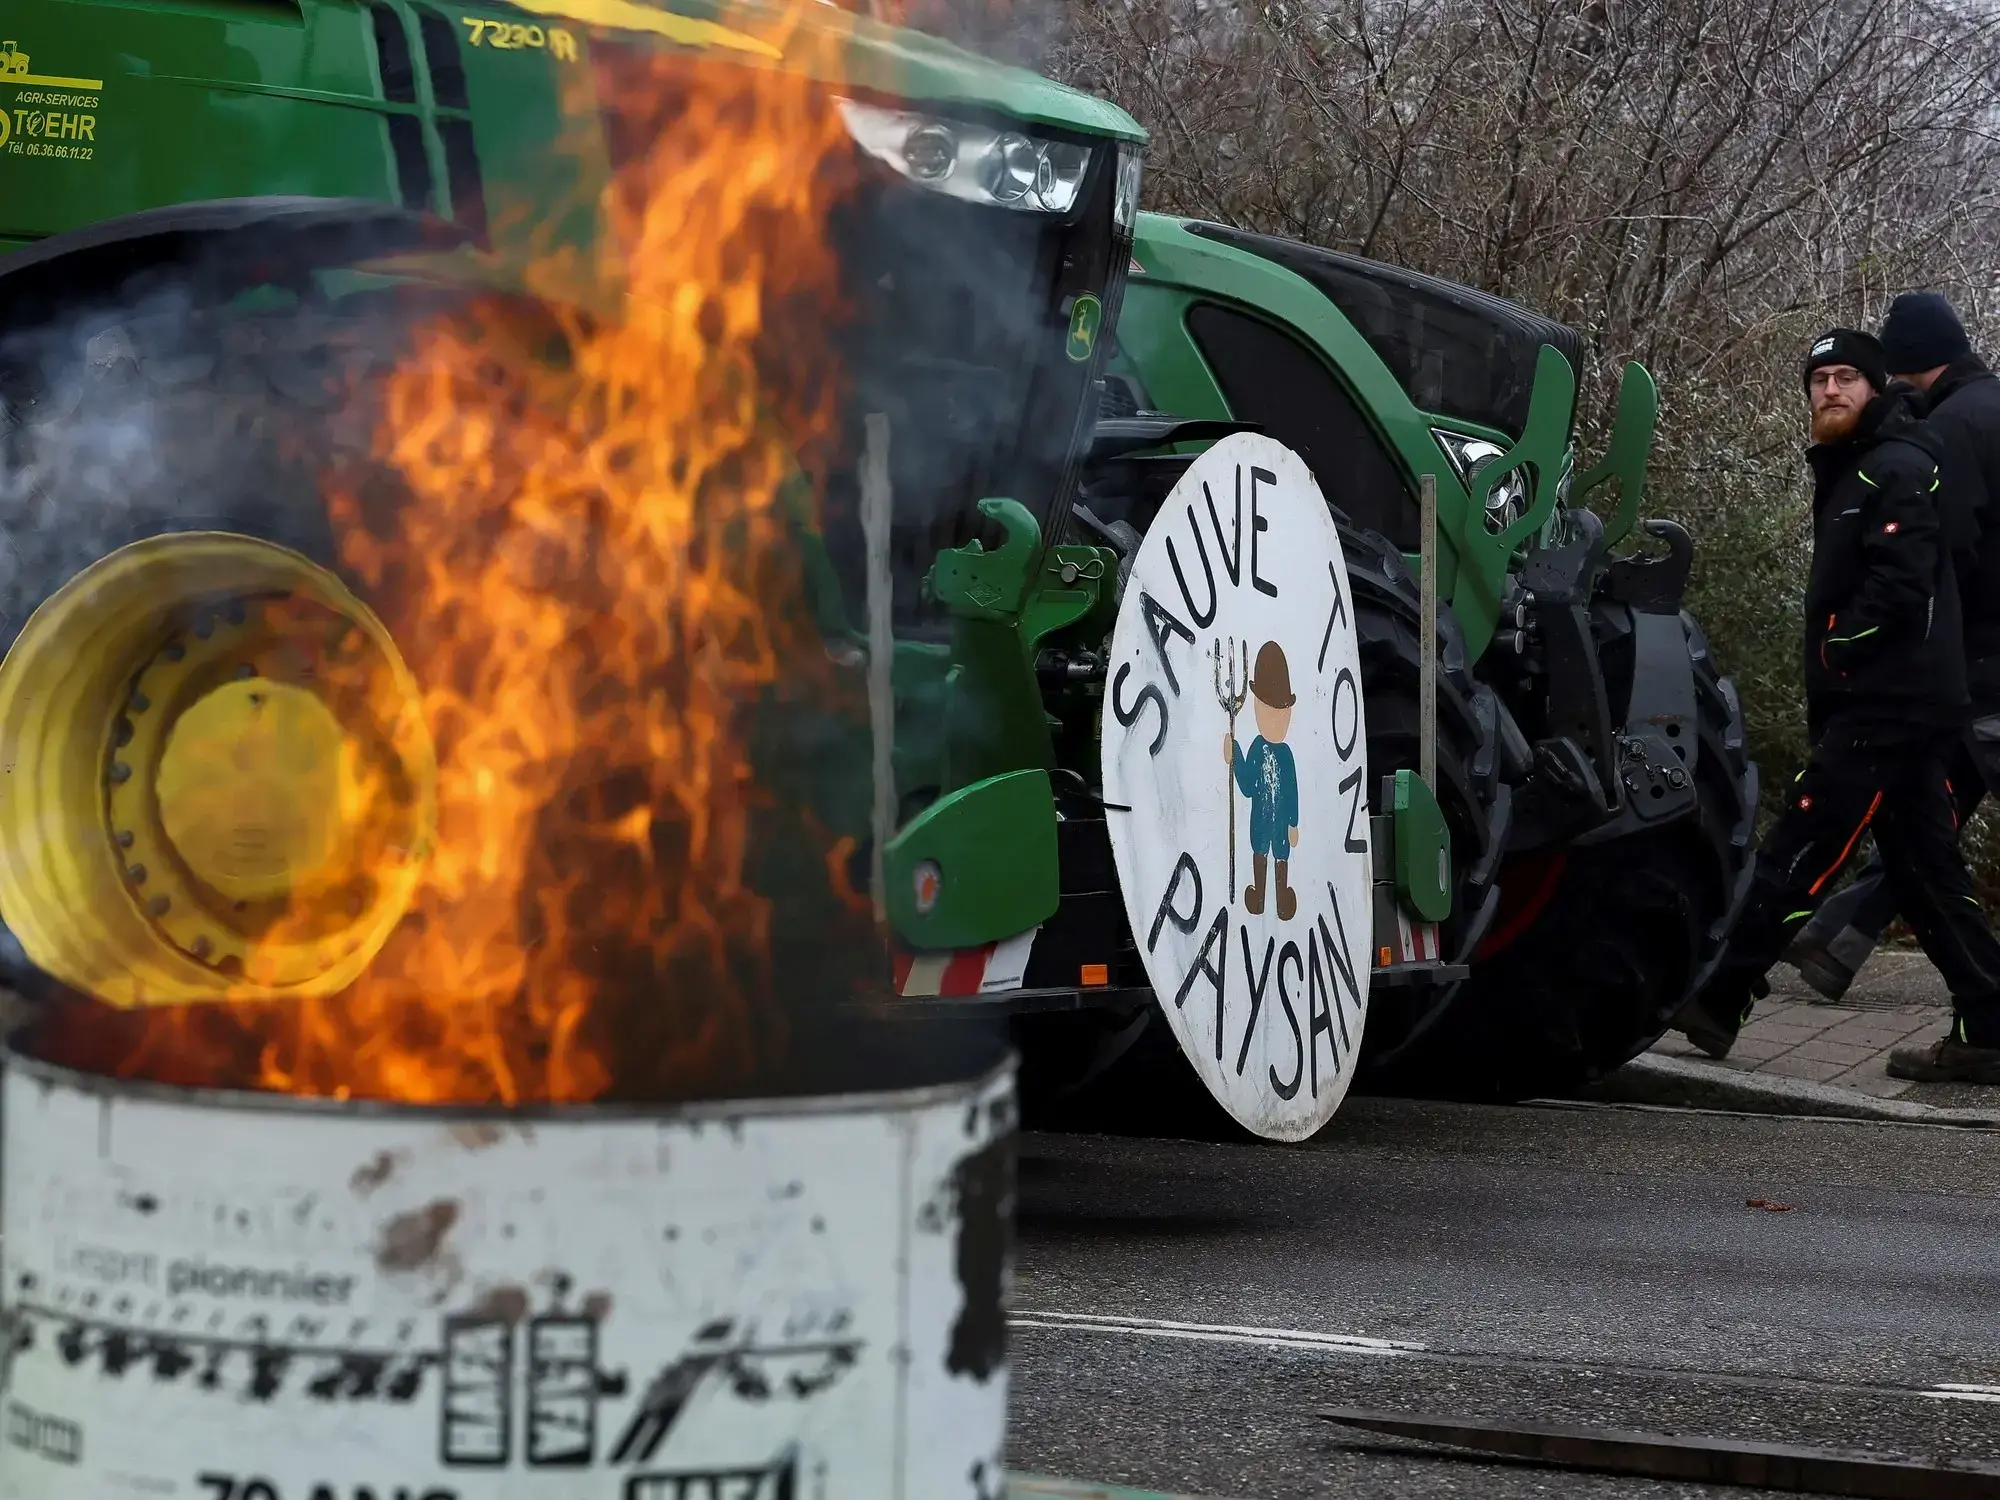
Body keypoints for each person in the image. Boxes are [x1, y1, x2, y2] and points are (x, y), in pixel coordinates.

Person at [1676, 328, 2000, 1084]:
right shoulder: (1857, 467)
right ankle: (1988, 1020)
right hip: (1902, 706)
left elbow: (1904, 580)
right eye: (1819, 380)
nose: (1830, 390)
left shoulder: (1899, 463)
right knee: (1924, 871)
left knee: (1802, 842)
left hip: (1889, 702)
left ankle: (1717, 995)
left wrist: (1836, 651)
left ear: (1876, 387)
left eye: (1846, 376)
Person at [1783, 293, 2000, 1012]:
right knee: (1921, 820)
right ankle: (1841, 938)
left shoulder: (1946, 430)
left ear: (1902, 371)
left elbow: (1944, 552)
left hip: (1976, 667)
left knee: (1918, 815)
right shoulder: (1990, 407)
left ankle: (1823, 938)